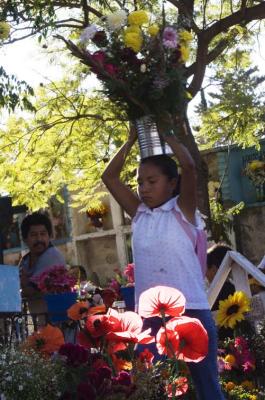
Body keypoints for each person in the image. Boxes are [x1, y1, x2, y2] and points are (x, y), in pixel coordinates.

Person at [101, 120, 225, 399]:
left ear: (172, 183)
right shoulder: (140, 214)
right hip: (150, 316)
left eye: (152, 181)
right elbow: (109, 178)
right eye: (140, 183)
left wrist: (166, 129)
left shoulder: (183, 210)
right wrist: (132, 138)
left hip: (191, 309)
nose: (143, 188)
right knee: (148, 387)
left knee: (208, 388)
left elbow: (190, 167)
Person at [19, 212, 66, 324]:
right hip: (40, 321)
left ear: (49, 236)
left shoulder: (52, 256)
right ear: (25, 239)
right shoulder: (25, 260)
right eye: (34, 235)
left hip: (58, 323)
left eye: (43, 234)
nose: (39, 239)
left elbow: (31, 290)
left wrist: (23, 285)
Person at [207, 243, 235, 339]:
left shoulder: (216, 293)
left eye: (207, 269)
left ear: (214, 269)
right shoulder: (234, 288)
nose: (205, 275)